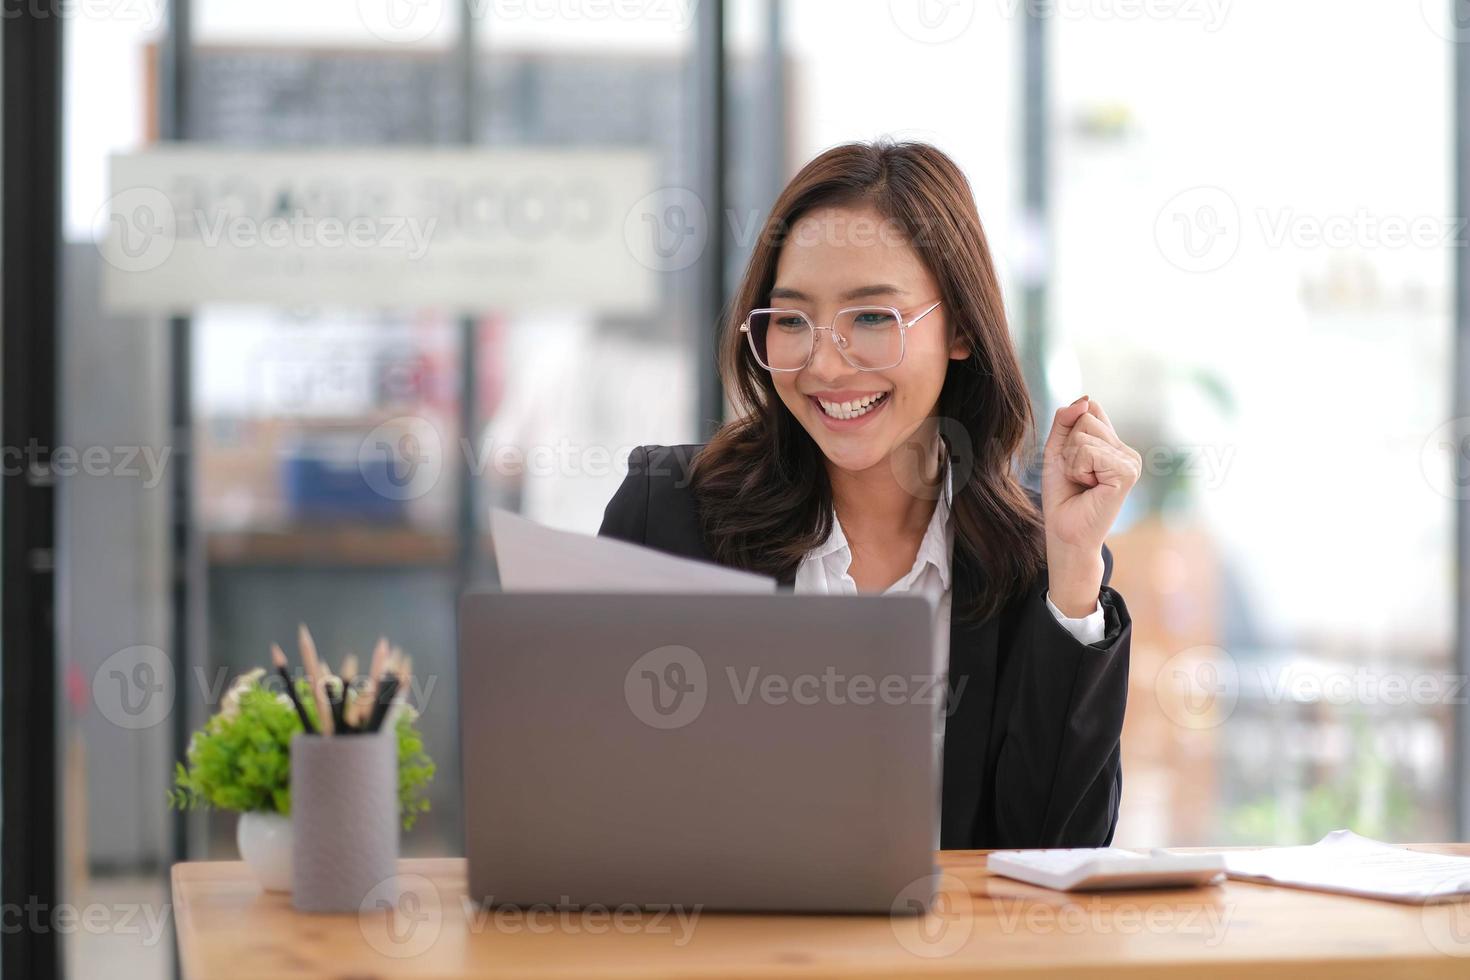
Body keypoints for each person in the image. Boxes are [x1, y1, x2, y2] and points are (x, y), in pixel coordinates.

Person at [601, 140, 1139, 849]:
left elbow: (1056, 856)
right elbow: (593, 805)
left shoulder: (1033, 559)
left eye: (873, 318)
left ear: (963, 330)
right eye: (791, 320)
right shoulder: (666, 513)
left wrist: (1072, 574)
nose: (826, 363)